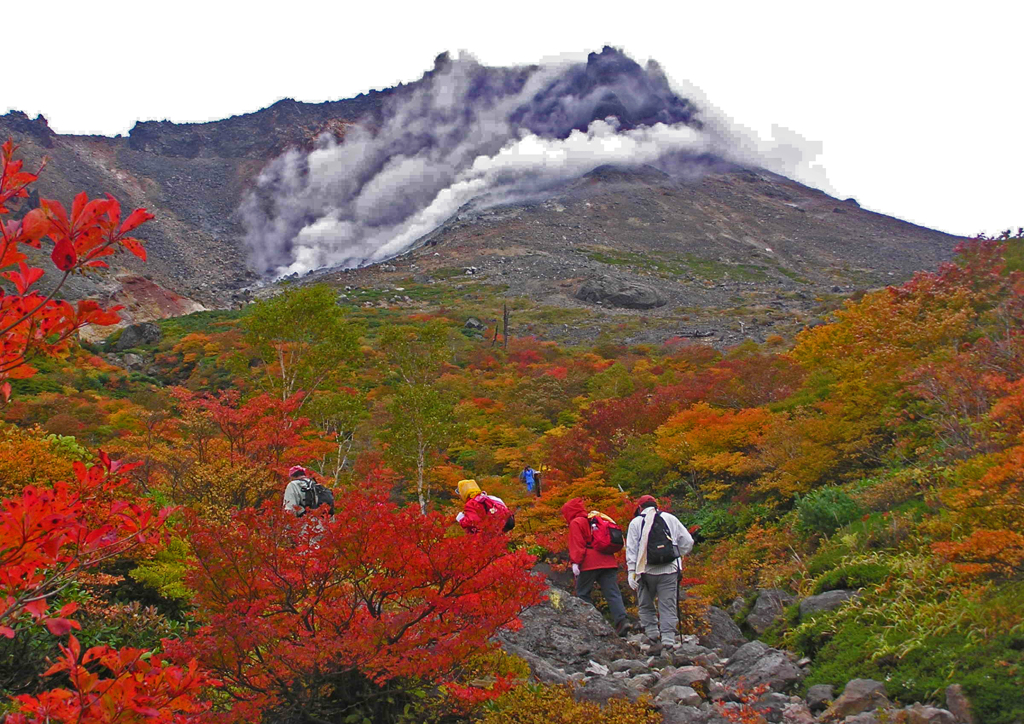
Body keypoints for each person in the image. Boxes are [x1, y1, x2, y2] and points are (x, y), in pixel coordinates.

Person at [625, 494, 694, 655]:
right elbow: (688, 542)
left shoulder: (636, 523)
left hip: (645, 571)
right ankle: (669, 641)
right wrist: (678, 555)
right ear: (656, 505)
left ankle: (653, 636)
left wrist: (631, 572)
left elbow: (632, 550)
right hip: (669, 570)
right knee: (667, 605)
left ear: (640, 508)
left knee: (646, 605)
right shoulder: (670, 519)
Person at [561, 497, 630, 636]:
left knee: (582, 593)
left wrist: (576, 563)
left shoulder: (576, 522)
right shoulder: (594, 519)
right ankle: (622, 621)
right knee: (612, 593)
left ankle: (592, 624)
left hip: (589, 563)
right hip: (608, 561)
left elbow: (578, 545)